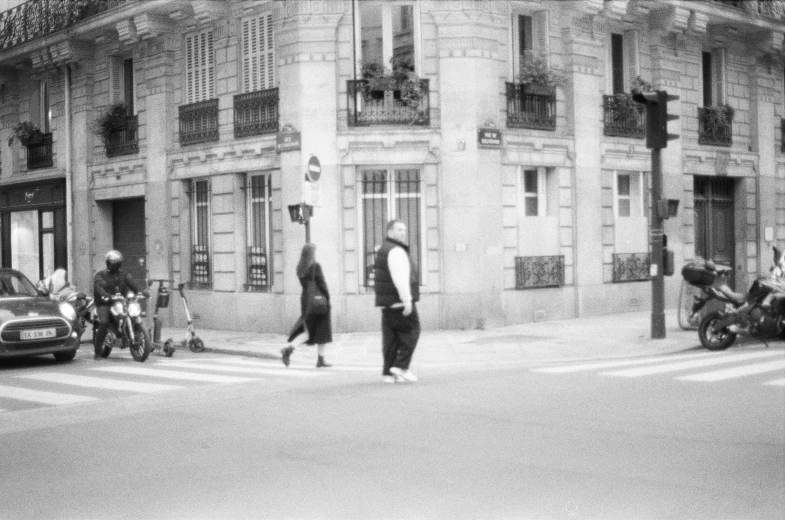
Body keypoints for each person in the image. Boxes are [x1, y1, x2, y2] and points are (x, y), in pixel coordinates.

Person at [374, 219, 420, 383]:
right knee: (412, 332)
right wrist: (407, 300)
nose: (403, 232)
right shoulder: (396, 251)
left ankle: (388, 373)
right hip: (399, 301)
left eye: (404, 229)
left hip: (387, 303)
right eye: (399, 229)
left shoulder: (384, 249)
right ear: (390, 231)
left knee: (391, 339)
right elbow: (400, 279)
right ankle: (401, 366)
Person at [281, 243, 333, 368]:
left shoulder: (300, 267)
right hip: (319, 302)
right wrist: (327, 298)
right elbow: (322, 284)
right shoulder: (315, 266)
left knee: (309, 331)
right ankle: (290, 349)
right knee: (322, 330)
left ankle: (319, 359)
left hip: (307, 301)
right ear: (312, 253)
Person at [93, 250, 142, 359]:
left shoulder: (123, 274)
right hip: (105, 303)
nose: (115, 266)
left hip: (121, 302)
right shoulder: (100, 275)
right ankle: (97, 351)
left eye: (117, 264)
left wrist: (140, 292)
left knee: (132, 315)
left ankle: (128, 335)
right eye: (113, 263)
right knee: (104, 322)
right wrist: (106, 295)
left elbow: (132, 284)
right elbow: (98, 288)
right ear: (108, 263)